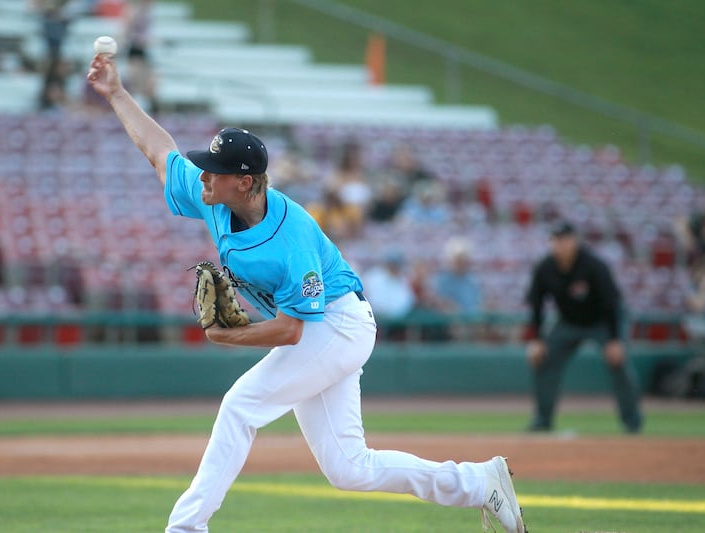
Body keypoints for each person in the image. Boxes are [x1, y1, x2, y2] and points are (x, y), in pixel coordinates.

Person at [86, 53, 526, 533]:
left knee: (240, 406)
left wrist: (230, 336)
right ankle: (480, 483)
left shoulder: (291, 237)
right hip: (317, 327)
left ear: (246, 182)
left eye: (215, 169)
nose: (204, 174)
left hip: (338, 322)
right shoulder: (215, 196)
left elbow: (294, 330)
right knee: (349, 468)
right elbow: (159, 150)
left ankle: (186, 527)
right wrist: (116, 93)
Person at [524, 220, 643, 433]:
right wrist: (536, 339)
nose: (560, 244)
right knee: (544, 362)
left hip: (603, 322)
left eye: (565, 239)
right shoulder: (545, 267)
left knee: (619, 365)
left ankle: (632, 422)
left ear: (575, 241)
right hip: (568, 322)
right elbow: (537, 305)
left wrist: (615, 339)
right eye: (556, 240)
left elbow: (612, 303)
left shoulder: (594, 265)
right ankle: (542, 420)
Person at [436, 237, 482, 315]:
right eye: (459, 260)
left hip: (471, 322)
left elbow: (477, 305)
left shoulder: (473, 280)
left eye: (464, 259)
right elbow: (442, 306)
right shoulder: (442, 281)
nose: (462, 263)